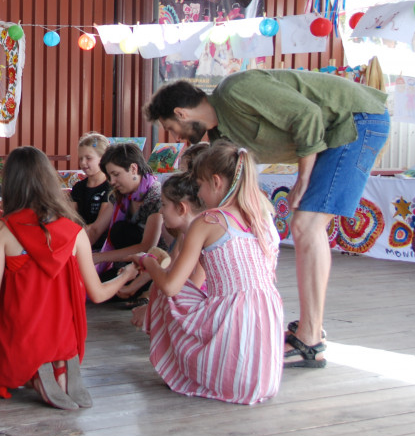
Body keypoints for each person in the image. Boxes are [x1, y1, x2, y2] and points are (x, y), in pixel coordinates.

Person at [144, 69, 390, 367]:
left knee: (307, 224)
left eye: (171, 128)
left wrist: (303, 176)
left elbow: (308, 115)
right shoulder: (223, 137)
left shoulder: (236, 90)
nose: (176, 138)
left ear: (181, 113)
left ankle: (310, 339)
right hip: (329, 138)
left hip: (355, 120)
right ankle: (306, 333)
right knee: (304, 225)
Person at [0, 147, 139, 410]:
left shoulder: (4, 230)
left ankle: (35, 371)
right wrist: (127, 274)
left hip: (20, 339)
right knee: (59, 331)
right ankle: (59, 366)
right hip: (66, 338)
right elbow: (98, 294)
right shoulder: (76, 231)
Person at [137, 141, 283, 404]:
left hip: (231, 320)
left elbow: (171, 286)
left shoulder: (209, 220)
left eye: (201, 185)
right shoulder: (265, 216)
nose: (200, 194)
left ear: (216, 182)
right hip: (265, 334)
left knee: (163, 287)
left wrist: (149, 263)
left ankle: (188, 366)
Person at [130, 171, 204, 328]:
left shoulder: (201, 239)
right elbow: (170, 270)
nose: (161, 211)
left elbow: (192, 289)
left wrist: (152, 311)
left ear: (181, 208)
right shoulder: (184, 236)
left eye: (164, 205)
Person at [89, 143, 164, 274]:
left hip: (150, 270)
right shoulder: (120, 195)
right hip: (123, 267)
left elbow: (147, 247)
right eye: (109, 176)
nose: (111, 181)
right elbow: (95, 229)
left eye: (116, 174)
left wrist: (98, 257)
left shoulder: (156, 197)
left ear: (134, 169)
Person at [69, 131, 111, 250]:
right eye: (81, 158)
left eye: (88, 158)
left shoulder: (110, 187)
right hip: (78, 240)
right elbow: (71, 217)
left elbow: (99, 227)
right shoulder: (78, 187)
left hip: (99, 246)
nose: (83, 163)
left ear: (103, 159)